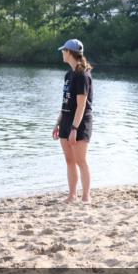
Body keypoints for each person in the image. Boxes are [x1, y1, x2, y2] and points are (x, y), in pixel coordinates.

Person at [53, 39, 93, 203]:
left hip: (80, 123)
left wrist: (74, 128)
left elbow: (81, 104)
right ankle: (72, 195)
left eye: (64, 50)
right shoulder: (68, 75)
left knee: (80, 160)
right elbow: (66, 102)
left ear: (69, 52)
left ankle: (86, 196)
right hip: (66, 120)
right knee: (69, 161)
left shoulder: (82, 75)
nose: (62, 53)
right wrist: (58, 123)